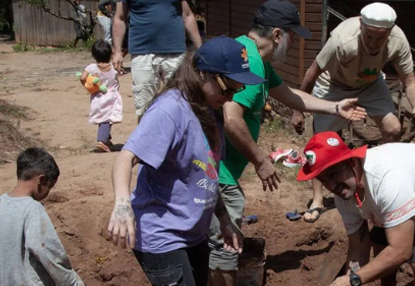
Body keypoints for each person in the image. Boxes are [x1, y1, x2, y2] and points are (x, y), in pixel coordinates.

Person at [207, 1, 367, 285]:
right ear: (278, 35)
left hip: (212, 168)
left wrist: (334, 107)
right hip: (218, 172)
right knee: (225, 250)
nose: (293, 44)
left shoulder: (250, 53)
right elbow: (232, 119)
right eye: (293, 37)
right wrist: (260, 161)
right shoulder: (252, 62)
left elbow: (290, 95)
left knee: (213, 240)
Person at [107, 36, 267, 286]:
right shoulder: (170, 110)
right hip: (162, 236)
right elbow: (126, 157)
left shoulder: (210, 112)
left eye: (236, 91)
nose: (230, 98)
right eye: (227, 89)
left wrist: (224, 219)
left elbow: (207, 175)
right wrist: (122, 205)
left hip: (194, 234)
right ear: (204, 74)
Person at [291, 2, 415, 223]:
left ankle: (383, 182)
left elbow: (409, 79)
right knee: (320, 142)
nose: (374, 43)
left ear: (389, 32)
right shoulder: (341, 40)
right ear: (361, 26)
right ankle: (317, 199)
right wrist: (299, 110)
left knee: (393, 128)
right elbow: (312, 73)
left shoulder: (398, 39)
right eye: (369, 36)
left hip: (370, 85)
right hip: (333, 86)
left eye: (380, 38)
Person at [297, 131, 415, 286]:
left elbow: (401, 251)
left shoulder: (389, 181)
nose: (331, 186)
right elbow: (358, 246)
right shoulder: (344, 193)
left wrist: (353, 280)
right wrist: (351, 277)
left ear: (352, 162)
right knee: (380, 241)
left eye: (333, 174)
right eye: (323, 180)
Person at [0, 147, 85, 286]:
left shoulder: (1, 202)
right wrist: (72, 282)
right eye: (49, 187)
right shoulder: (32, 209)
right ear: (41, 180)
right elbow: (48, 252)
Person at [112, 0, 203, 122]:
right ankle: (147, 140)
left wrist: (201, 48)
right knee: (145, 107)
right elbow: (120, 18)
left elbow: (187, 15)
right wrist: (117, 51)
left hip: (175, 50)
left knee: (183, 101)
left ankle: (181, 140)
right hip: (142, 52)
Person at [79, 40, 123, 152]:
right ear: (110, 54)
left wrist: (88, 86)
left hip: (97, 97)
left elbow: (83, 77)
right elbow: (120, 73)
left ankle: (106, 139)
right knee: (107, 120)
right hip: (111, 98)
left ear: (94, 55)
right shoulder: (113, 67)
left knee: (105, 119)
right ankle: (102, 141)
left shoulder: (91, 67)